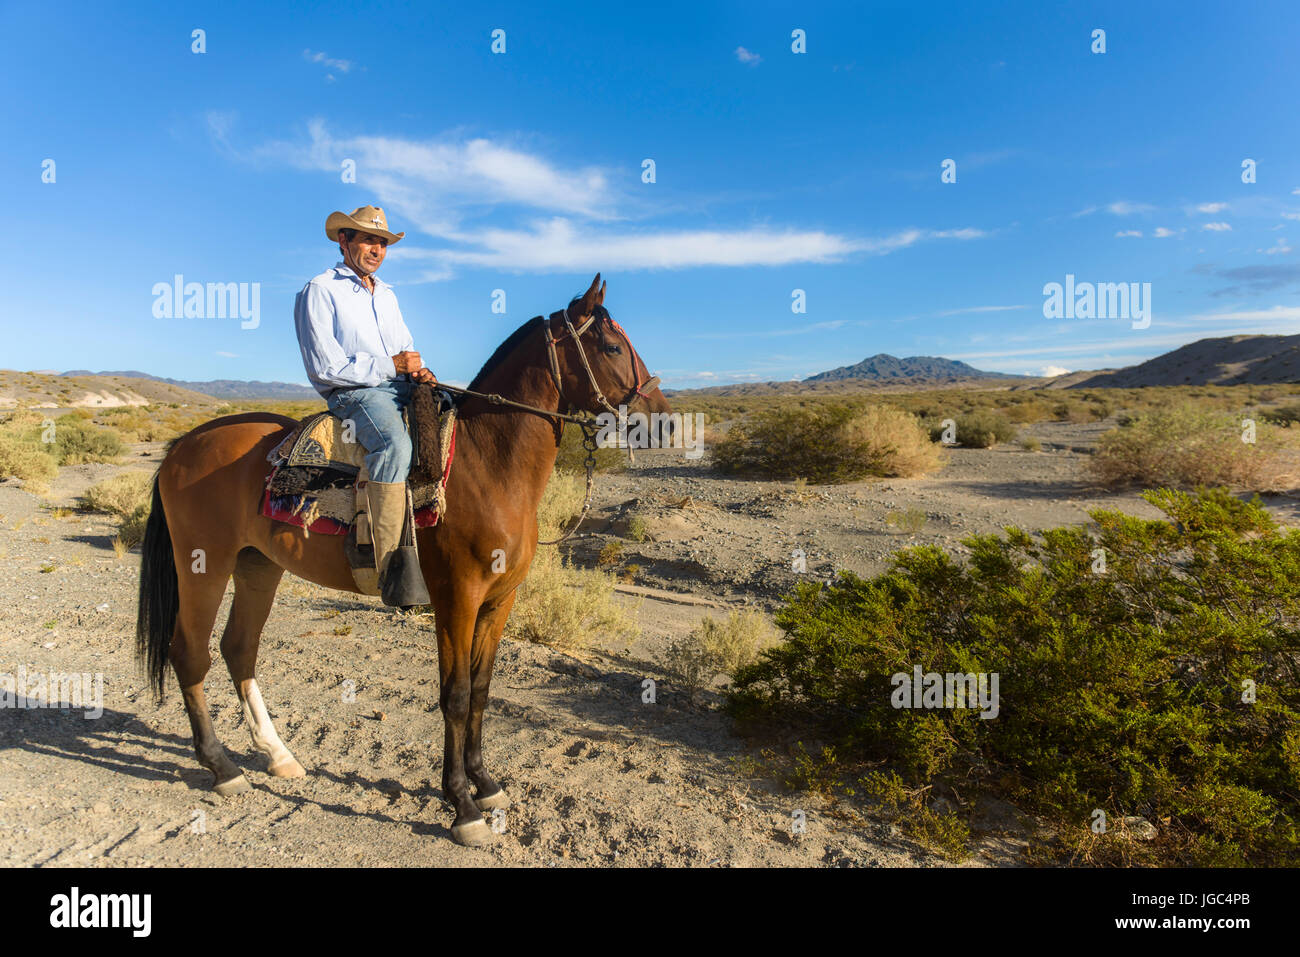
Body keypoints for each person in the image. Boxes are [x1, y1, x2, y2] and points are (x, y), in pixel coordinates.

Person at [294, 205, 435, 606]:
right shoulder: (320, 290)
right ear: (344, 240)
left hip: (396, 385)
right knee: (395, 446)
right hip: (353, 392)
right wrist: (390, 365)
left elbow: (404, 348)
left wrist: (418, 372)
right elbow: (326, 366)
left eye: (383, 243)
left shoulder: (387, 294)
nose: (377, 249)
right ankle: (389, 567)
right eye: (368, 240)